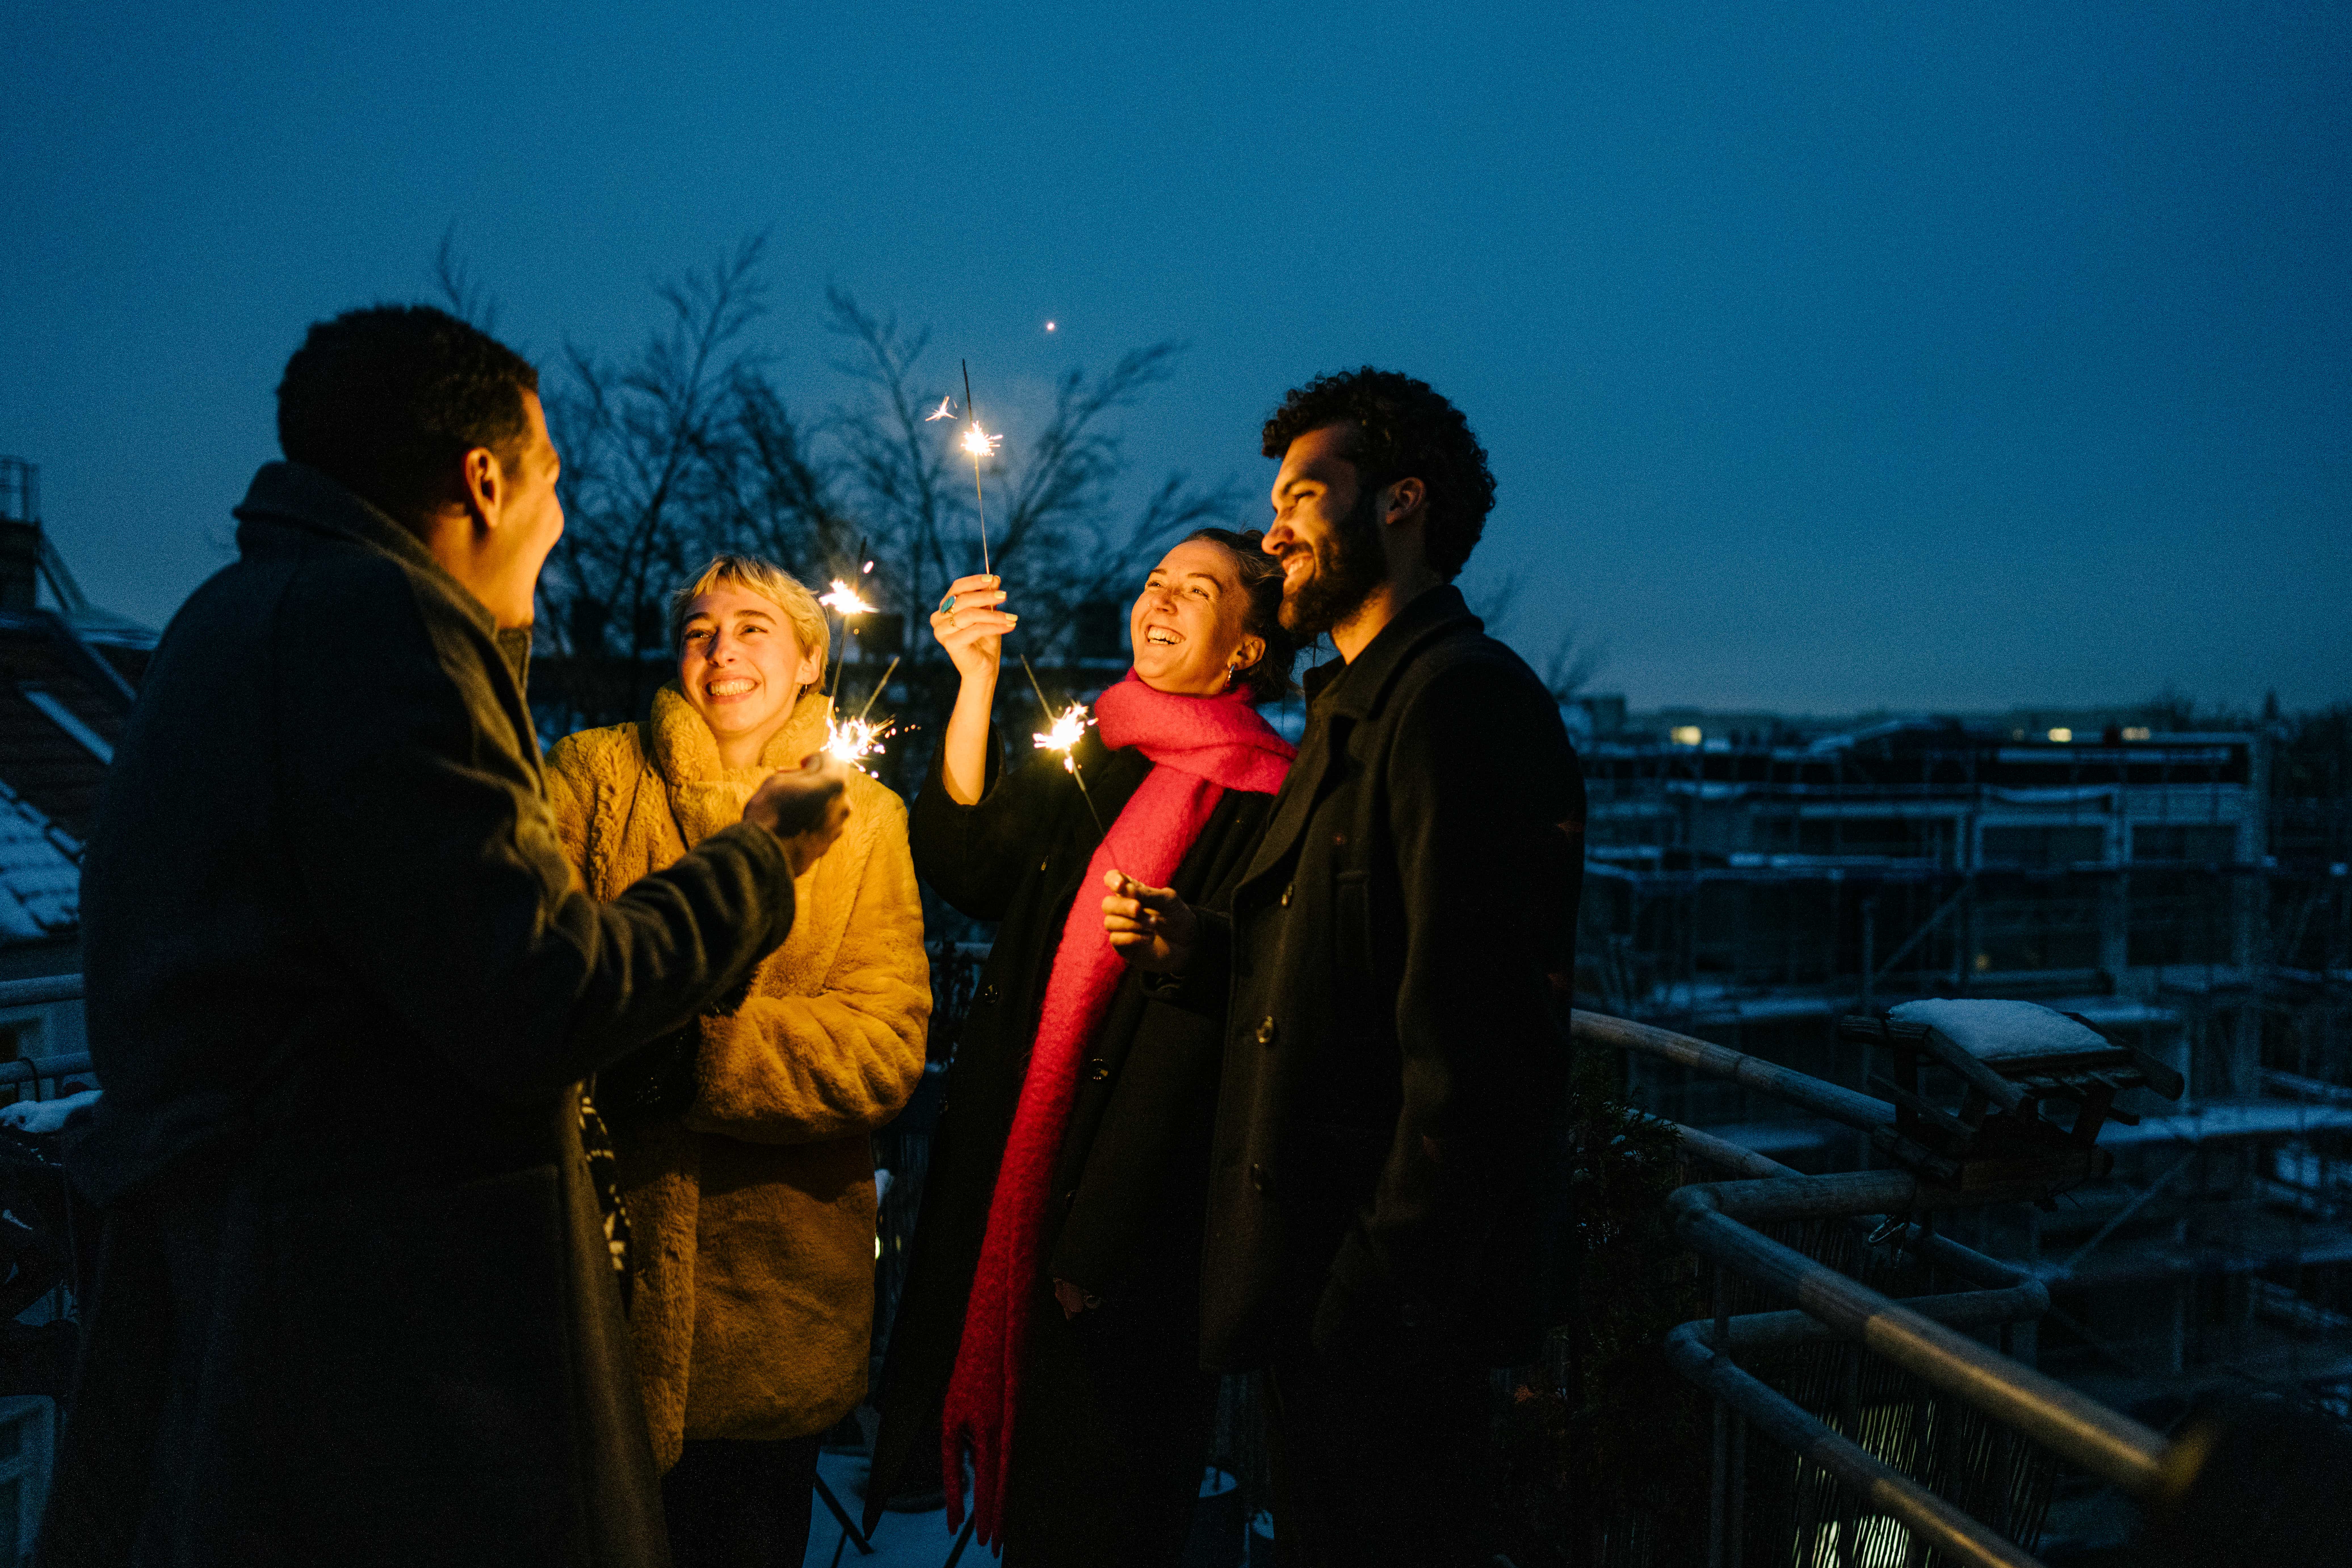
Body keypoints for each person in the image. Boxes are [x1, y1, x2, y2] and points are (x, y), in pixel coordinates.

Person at [42, 305, 850, 1568]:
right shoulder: (379, 631)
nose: (563, 519)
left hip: (256, 1313)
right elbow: (542, 990)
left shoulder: (234, 618)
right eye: (553, 478)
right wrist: (760, 860)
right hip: (381, 1363)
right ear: (484, 479)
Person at [1104, 370, 1587, 1568]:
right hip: (1320, 1298)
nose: (1272, 531)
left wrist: (1367, 1302)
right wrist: (1204, 950)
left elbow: (1480, 1056)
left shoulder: (1461, 707)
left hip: (1377, 1326)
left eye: (1302, 496)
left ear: (1400, 503)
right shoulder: (1355, 709)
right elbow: (1352, 960)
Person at [866, 530, 1298, 1566]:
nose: (1161, 602)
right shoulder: (1097, 745)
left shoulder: (1272, 797)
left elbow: (1240, 1018)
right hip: (1015, 1162)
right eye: (1155, 582)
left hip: (1131, 1213)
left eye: (1198, 592)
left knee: (1101, 1500)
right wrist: (974, 680)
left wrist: (1188, 948)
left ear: (1246, 649)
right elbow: (972, 869)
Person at [544, 554, 930, 1568]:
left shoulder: (864, 820)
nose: (722, 651)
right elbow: (536, 976)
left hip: (771, 1312)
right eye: (700, 631)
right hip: (592, 1288)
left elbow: (885, 1047)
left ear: (810, 662)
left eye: (754, 628)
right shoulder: (591, 777)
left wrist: (695, 1060)